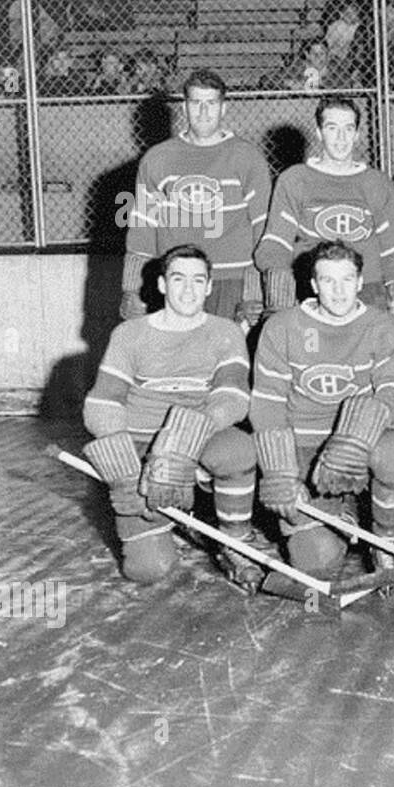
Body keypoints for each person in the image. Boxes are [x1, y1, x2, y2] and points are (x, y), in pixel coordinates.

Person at [82, 244, 257, 586]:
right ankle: (182, 517)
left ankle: (233, 542)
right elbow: (102, 403)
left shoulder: (226, 332)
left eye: (198, 280)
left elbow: (233, 395)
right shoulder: (130, 334)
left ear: (209, 287)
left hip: (198, 435)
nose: (188, 290)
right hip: (140, 443)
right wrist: (124, 466)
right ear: (162, 284)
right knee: (149, 570)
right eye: (178, 279)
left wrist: (185, 438)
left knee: (238, 450)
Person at [250, 241, 394, 583]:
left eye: (347, 280)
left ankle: (386, 538)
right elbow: (267, 403)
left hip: (364, 443)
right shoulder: (283, 327)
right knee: (315, 563)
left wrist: (355, 435)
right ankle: (344, 518)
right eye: (328, 281)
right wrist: (279, 469)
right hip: (305, 448)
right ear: (313, 284)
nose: (339, 291)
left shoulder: (388, 329)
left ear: (360, 282)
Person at [122, 69, 272, 326]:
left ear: (224, 108)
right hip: (177, 280)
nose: (203, 112)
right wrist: (132, 288)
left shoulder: (247, 158)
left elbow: (263, 230)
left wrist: (256, 289)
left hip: (230, 281)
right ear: (184, 106)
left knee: (229, 363)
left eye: (211, 103)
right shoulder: (157, 159)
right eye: (196, 103)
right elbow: (142, 229)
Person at [257, 95, 394, 318]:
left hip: (367, 288)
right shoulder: (295, 179)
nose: (341, 138)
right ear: (319, 133)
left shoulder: (377, 183)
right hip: (314, 287)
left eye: (348, 129)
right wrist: (280, 306)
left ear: (357, 134)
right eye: (332, 128)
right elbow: (275, 246)